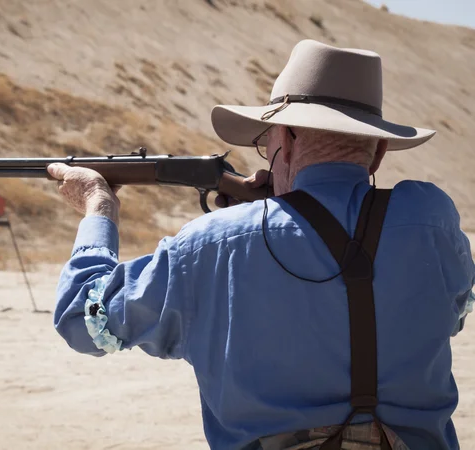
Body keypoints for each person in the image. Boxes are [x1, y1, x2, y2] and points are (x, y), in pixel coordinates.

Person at [48, 40, 475, 450]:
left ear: (284, 141)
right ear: (379, 152)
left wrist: (99, 206)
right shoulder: (433, 219)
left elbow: (82, 323)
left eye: (265, 141)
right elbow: (448, 317)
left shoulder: (215, 243)